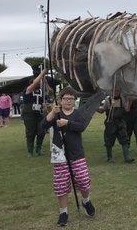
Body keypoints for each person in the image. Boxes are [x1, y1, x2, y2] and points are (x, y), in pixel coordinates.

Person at [42, 87, 95, 226]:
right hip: (59, 154)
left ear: (74, 100)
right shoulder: (56, 113)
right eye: (66, 98)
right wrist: (52, 113)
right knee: (61, 185)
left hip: (76, 153)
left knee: (83, 180)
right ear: (60, 100)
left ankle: (86, 200)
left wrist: (67, 123)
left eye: (71, 99)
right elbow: (42, 126)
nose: (68, 101)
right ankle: (63, 212)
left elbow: (82, 126)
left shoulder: (77, 113)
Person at [97, 87, 134, 163]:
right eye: (115, 91)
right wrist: (95, 107)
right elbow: (102, 110)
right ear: (112, 91)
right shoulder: (108, 100)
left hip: (120, 123)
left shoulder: (122, 99)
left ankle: (127, 158)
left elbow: (127, 109)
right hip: (110, 123)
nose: (116, 92)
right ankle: (109, 158)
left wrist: (130, 101)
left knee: (124, 139)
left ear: (120, 91)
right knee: (109, 141)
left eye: (118, 91)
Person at [22, 69, 47, 156]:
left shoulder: (41, 92)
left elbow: (47, 95)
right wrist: (41, 74)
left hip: (39, 113)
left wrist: (44, 106)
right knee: (30, 132)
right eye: (37, 82)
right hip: (29, 114)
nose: (39, 83)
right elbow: (34, 83)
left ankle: (38, 148)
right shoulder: (28, 90)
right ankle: (30, 151)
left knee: (41, 131)